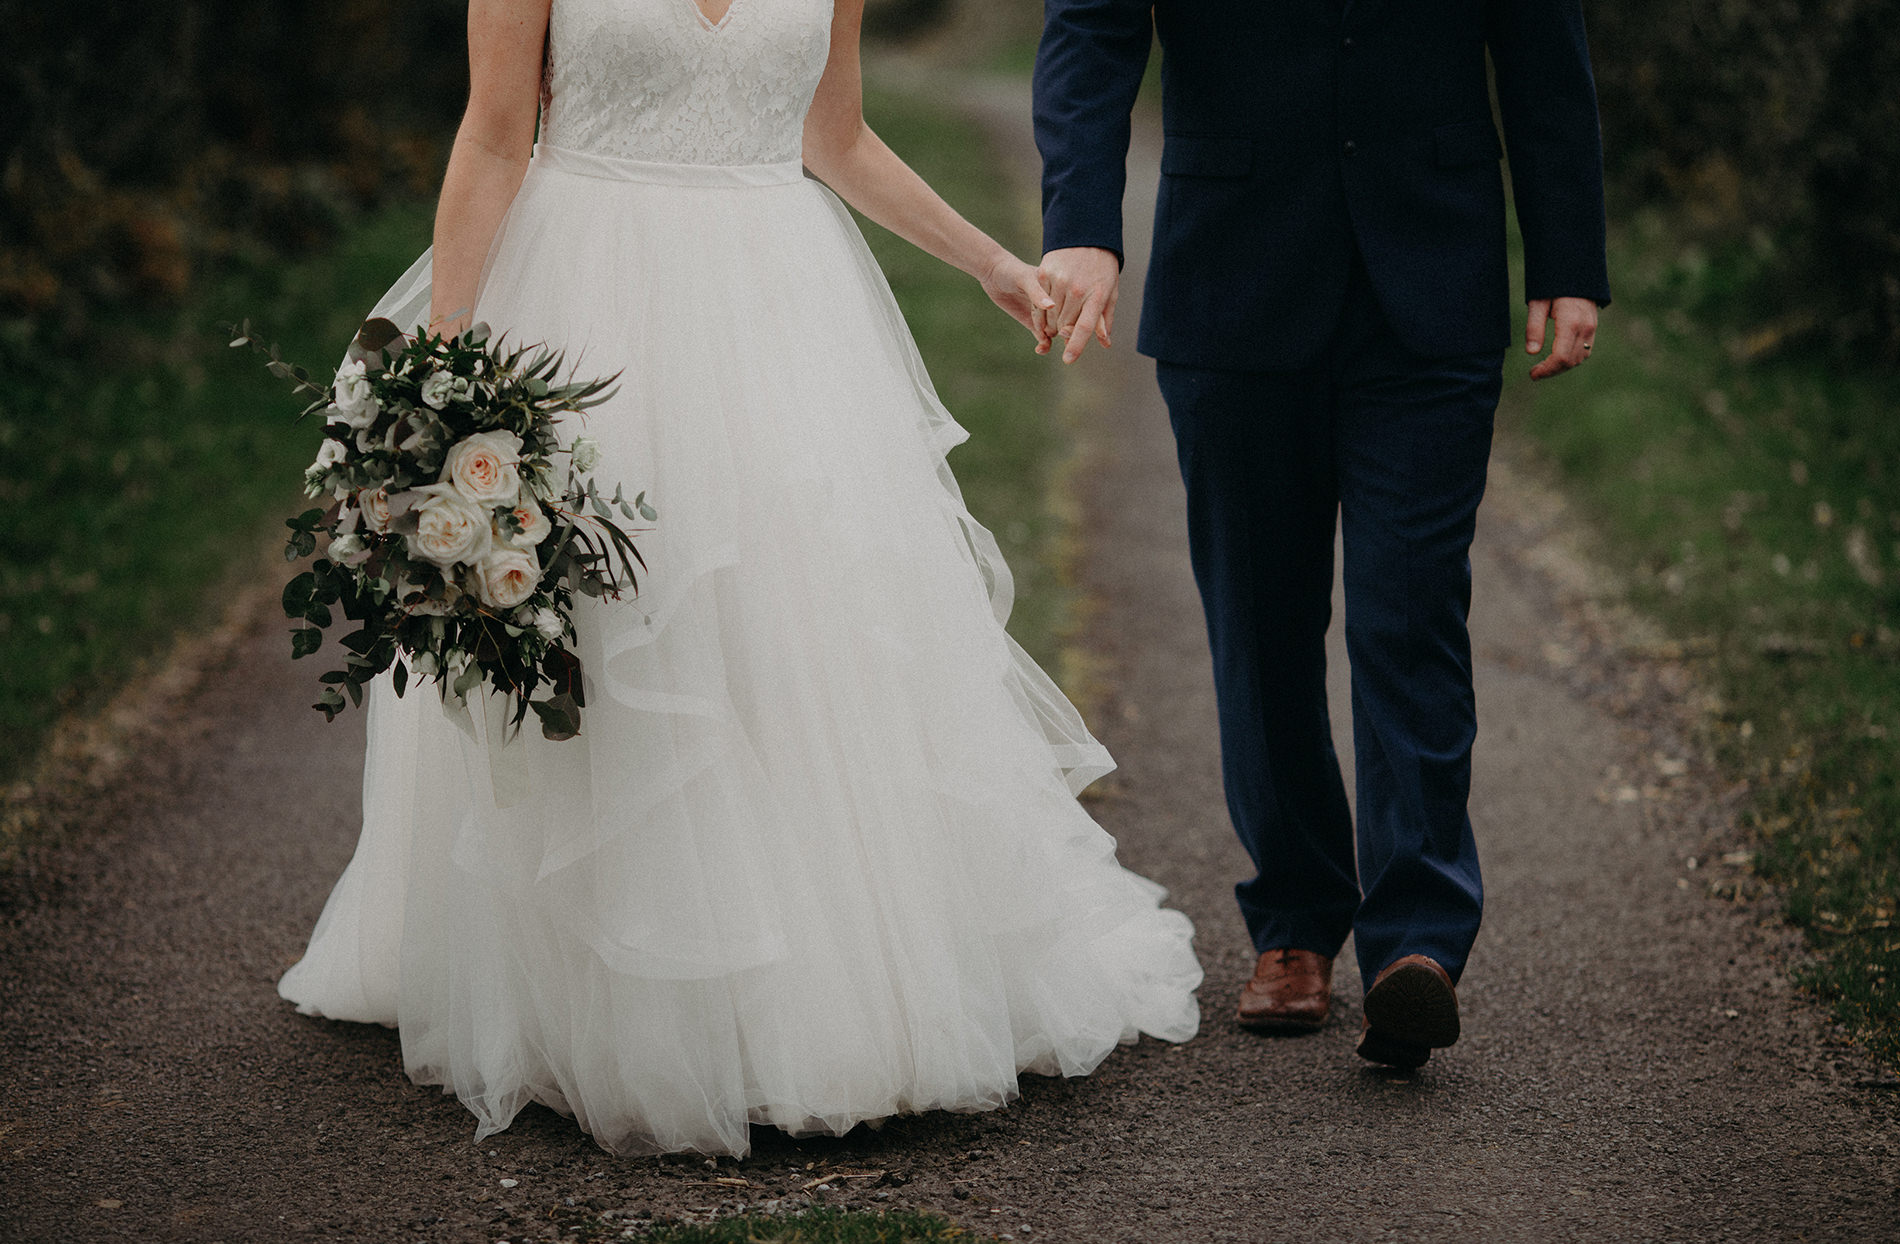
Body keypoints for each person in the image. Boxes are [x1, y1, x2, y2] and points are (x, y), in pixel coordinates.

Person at [279, 0, 1201, 1158]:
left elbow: (836, 139)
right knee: (619, 638)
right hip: (585, 302)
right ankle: (621, 998)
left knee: (799, 634)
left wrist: (991, 263)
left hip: (782, 315)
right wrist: (445, 378)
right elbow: (493, 136)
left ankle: (814, 994)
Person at [1033, 0, 1609, 1068]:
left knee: (1411, 612)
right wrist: (1083, 226)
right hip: (1231, 276)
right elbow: (1092, 27)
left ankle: (1417, 944)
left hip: (1431, 273)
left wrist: (1568, 253)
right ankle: (1294, 922)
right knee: (1261, 623)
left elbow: (1538, 36)